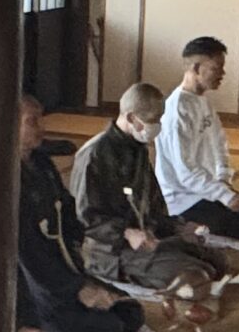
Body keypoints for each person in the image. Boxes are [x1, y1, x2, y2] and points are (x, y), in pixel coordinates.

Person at [14, 95, 148, 332]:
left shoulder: (42, 163)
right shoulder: (6, 177)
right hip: (35, 285)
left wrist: (82, 246)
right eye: (33, 121)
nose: (42, 127)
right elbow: (28, 255)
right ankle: (35, 327)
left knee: (130, 312)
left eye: (42, 119)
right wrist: (77, 289)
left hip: (65, 267)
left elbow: (67, 209)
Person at [68, 84, 223, 293]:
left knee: (217, 260)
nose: (157, 125)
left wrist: (179, 227)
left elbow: (153, 206)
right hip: (109, 250)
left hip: (147, 240)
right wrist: (126, 232)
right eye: (153, 120)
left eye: (160, 118)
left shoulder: (137, 148)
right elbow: (84, 218)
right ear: (132, 118)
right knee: (196, 274)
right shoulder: (95, 155)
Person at [158, 37, 239, 243]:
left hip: (206, 188)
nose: (222, 74)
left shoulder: (202, 101)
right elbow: (185, 171)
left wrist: (223, 181)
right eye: (216, 68)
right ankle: (181, 227)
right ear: (196, 67)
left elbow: (219, 144)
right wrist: (225, 196)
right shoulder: (177, 110)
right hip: (183, 198)